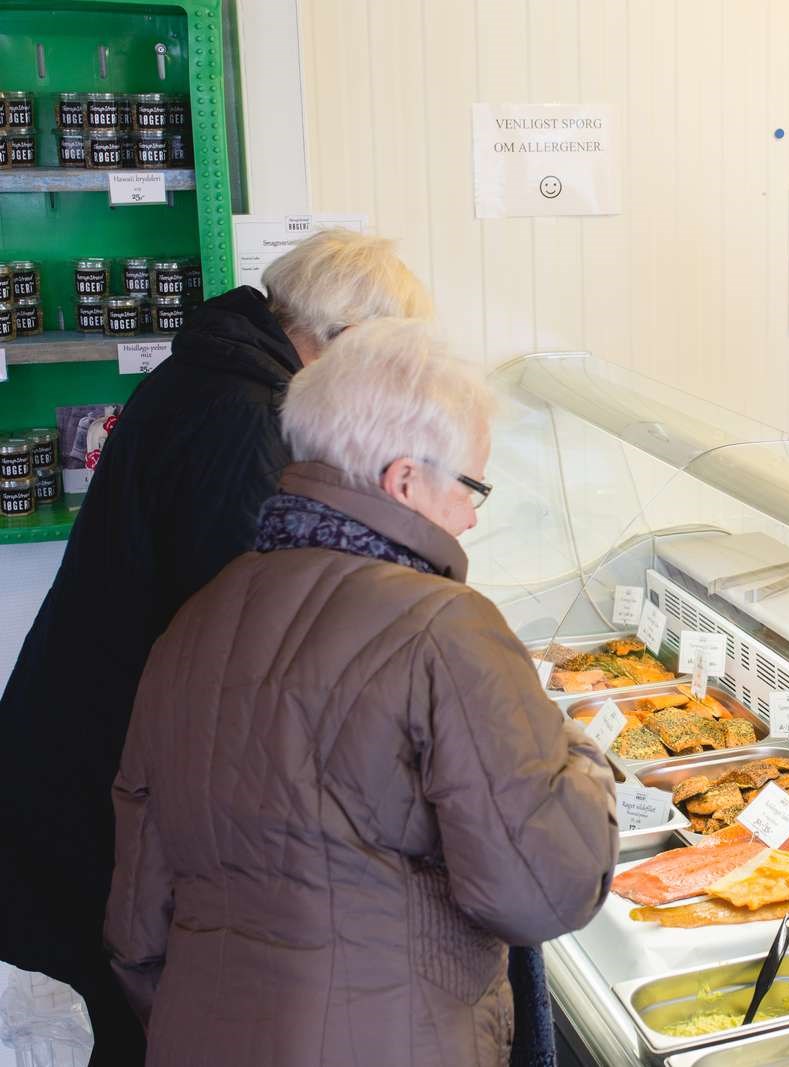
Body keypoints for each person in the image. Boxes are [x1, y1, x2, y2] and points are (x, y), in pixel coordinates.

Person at [104, 320, 619, 1067]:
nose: (474, 515)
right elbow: (540, 888)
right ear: (405, 480)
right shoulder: (446, 627)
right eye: (473, 485)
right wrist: (578, 757)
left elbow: (136, 924)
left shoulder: (198, 619)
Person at [0, 230, 431, 1065]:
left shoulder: (214, 370)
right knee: (139, 1015)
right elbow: (241, 625)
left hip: (78, 740)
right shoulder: (244, 411)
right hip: (102, 768)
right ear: (341, 337)